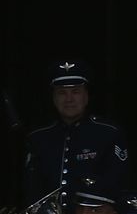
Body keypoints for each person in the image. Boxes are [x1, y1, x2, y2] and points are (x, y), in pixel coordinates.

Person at [24, 60, 130, 200]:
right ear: (53, 98)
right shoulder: (38, 137)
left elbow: (118, 185)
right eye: (62, 93)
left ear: (86, 96)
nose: (69, 99)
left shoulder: (109, 133)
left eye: (76, 92)